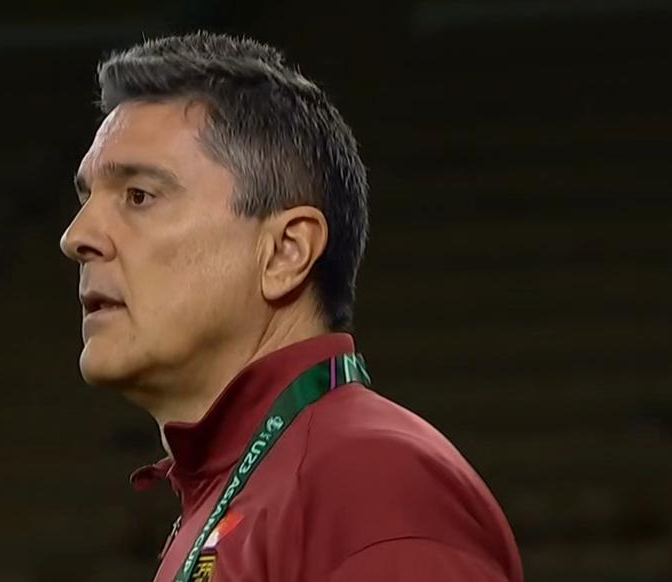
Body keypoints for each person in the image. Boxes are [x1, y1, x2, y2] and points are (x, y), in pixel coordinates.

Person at [60, 31, 523, 582]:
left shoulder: (371, 485)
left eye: (139, 196)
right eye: (86, 199)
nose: (77, 236)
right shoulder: (247, 491)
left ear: (285, 252)